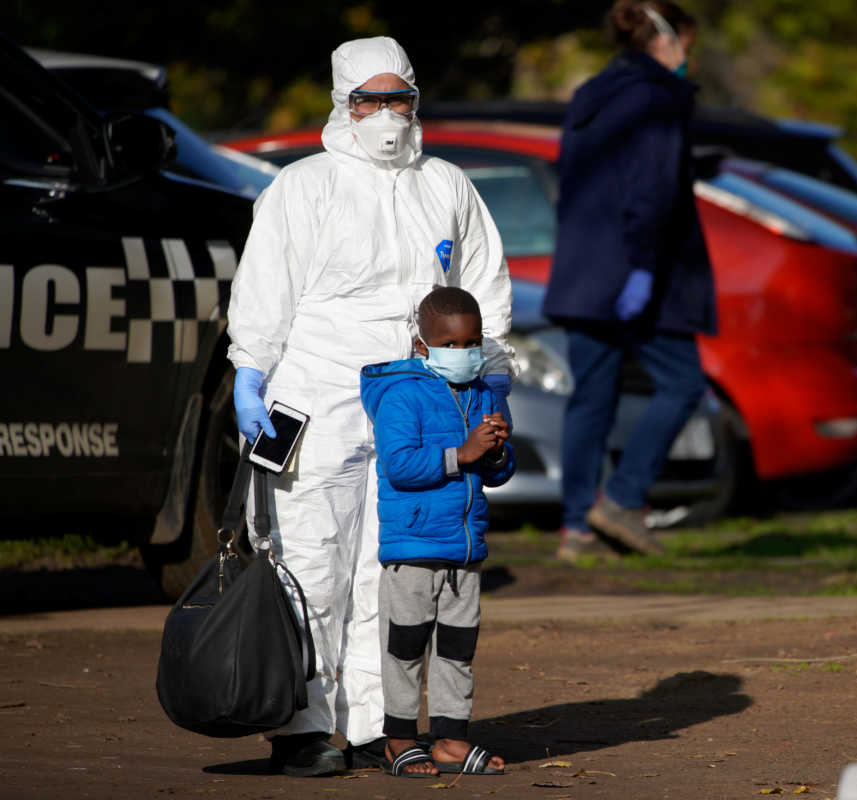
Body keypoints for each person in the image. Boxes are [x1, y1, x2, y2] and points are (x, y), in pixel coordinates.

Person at [226, 37, 514, 777]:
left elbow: (485, 285)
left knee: (385, 569)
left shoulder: (446, 185)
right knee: (311, 558)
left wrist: (493, 368)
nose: (386, 114)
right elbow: (265, 287)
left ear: (418, 102)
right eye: (369, 99)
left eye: (399, 98)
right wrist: (250, 370)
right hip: (315, 392)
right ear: (341, 104)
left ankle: (368, 724)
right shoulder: (303, 186)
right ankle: (301, 724)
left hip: (414, 402)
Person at [542, 0, 716, 562]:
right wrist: (641, 267)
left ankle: (576, 530)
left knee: (592, 399)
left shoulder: (593, 97)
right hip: (638, 275)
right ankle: (621, 498)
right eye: (686, 46)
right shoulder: (658, 99)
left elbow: (592, 182)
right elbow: (650, 191)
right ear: (664, 42)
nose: (687, 58)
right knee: (683, 383)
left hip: (585, 272)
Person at [360, 286, 513, 778]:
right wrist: (463, 454)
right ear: (423, 346)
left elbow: (497, 474)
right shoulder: (402, 394)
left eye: (474, 343)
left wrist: (496, 453)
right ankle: (399, 740)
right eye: (454, 345)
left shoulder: (485, 391)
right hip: (414, 546)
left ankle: (450, 739)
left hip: (464, 548)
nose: (466, 354)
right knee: (405, 648)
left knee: (457, 649)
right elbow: (401, 466)